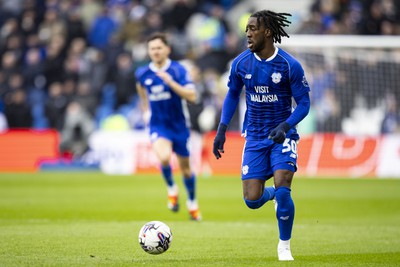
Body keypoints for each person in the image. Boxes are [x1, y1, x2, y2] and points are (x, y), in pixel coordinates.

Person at [212, 10, 311, 261]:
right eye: (246, 28)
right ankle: (272, 197)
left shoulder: (290, 65)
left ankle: (284, 246)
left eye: (253, 28)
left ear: (267, 32)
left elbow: (304, 104)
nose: (248, 33)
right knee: (252, 200)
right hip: (254, 137)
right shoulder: (241, 63)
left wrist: (286, 126)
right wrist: (222, 129)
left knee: (284, 185)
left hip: (282, 136)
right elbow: (233, 94)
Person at [135, 32, 201, 221]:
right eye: (152, 48)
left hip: (179, 125)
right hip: (158, 125)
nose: (155, 51)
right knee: (163, 157)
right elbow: (141, 91)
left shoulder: (178, 70)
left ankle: (192, 202)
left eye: (159, 48)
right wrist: (146, 110)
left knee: (186, 169)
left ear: (167, 49)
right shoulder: (142, 73)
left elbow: (192, 96)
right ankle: (172, 188)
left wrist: (170, 83)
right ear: (148, 51)